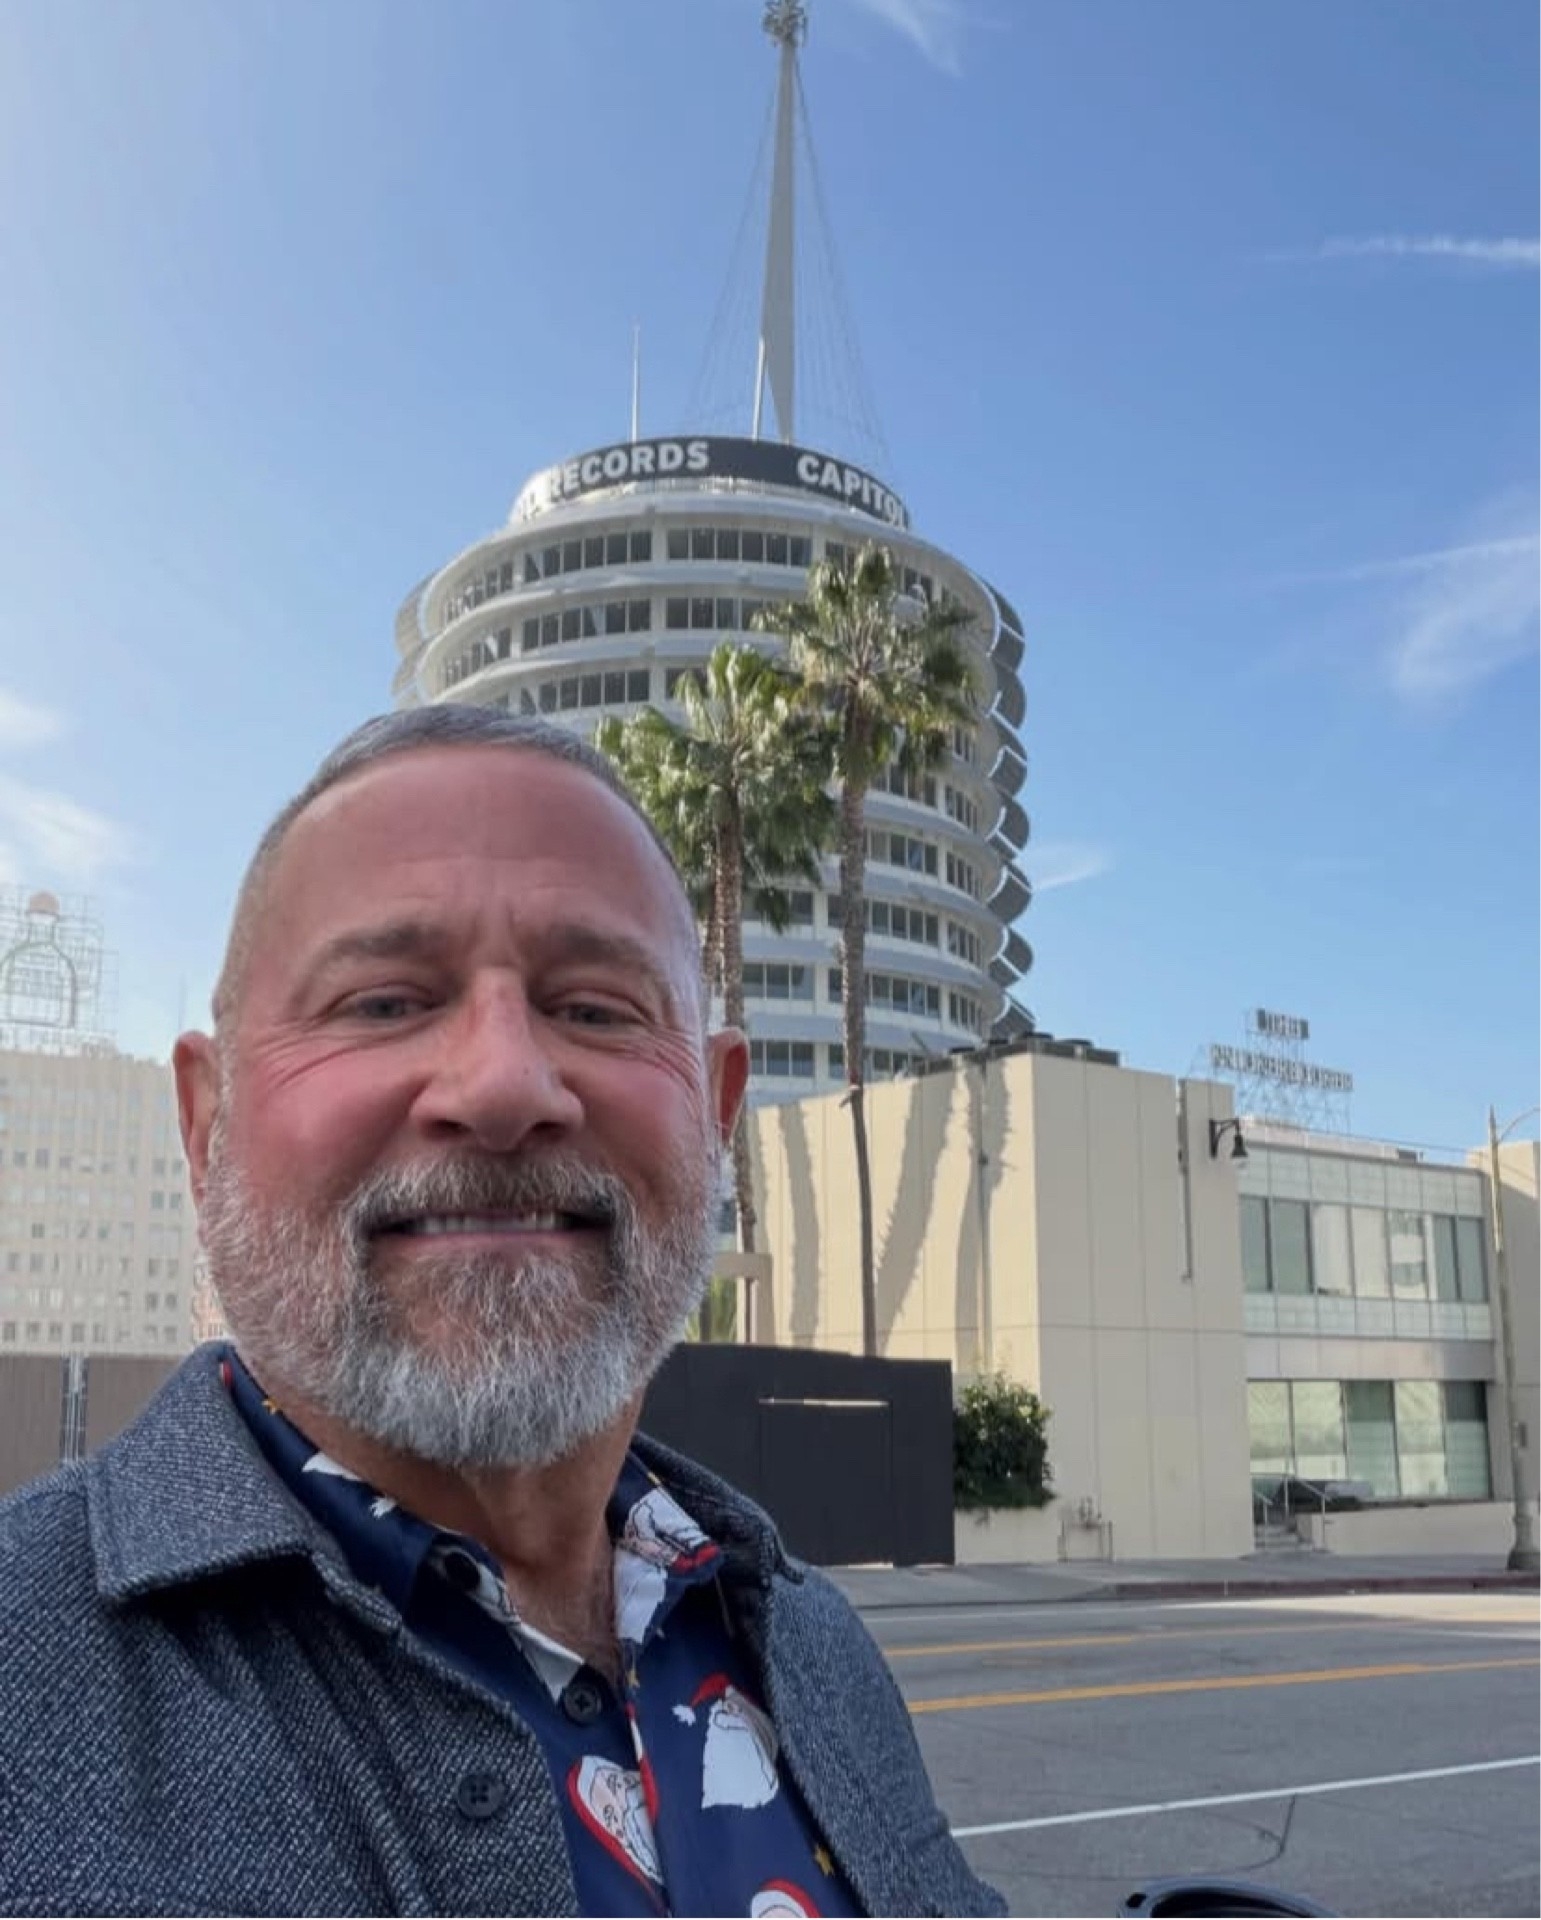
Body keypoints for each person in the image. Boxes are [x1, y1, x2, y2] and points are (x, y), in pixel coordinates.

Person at [0, 708, 1002, 1918]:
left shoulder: (815, 1645)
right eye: (382, 1003)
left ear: (714, 1115)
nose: (505, 1086)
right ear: (206, 1120)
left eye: (596, 1008)